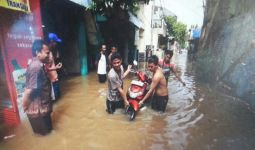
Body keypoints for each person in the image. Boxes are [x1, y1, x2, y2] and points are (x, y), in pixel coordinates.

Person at [22, 39, 53, 135]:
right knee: (46, 136)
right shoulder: (36, 67)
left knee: (48, 134)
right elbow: (28, 91)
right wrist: (25, 106)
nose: (48, 55)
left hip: (42, 108)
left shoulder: (39, 64)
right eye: (47, 53)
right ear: (37, 52)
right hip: (38, 111)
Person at [45, 33, 63, 100]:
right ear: (52, 42)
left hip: (55, 79)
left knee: (58, 98)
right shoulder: (46, 54)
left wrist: (56, 66)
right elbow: (45, 68)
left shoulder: (51, 52)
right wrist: (56, 67)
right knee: (55, 100)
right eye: (55, 42)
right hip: (51, 82)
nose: (56, 44)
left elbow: (50, 66)